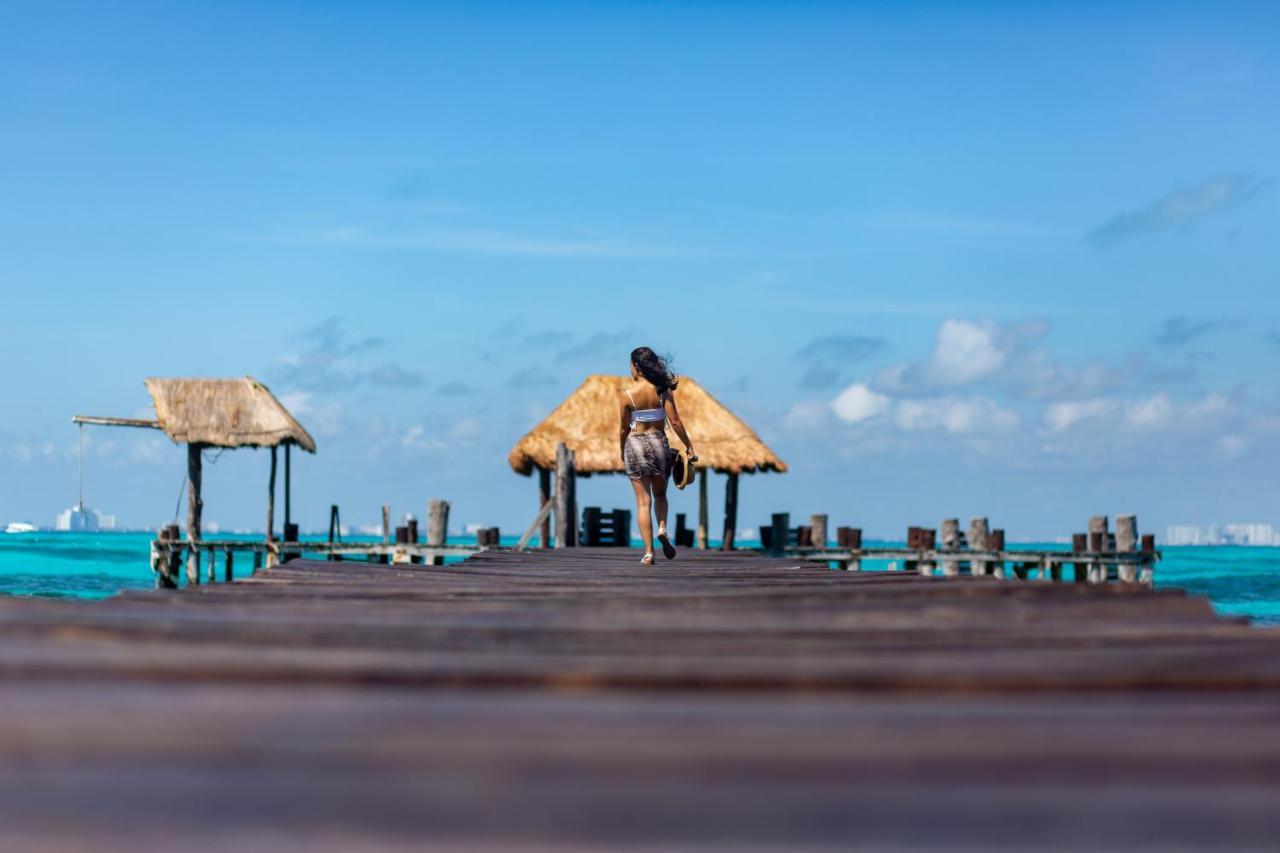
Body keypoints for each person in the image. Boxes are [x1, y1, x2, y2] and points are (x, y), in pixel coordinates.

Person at [619, 347, 696, 565]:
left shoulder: (626, 396)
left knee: (643, 503)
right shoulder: (662, 390)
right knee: (660, 495)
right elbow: (676, 421)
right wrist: (689, 445)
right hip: (658, 443)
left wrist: (621, 448)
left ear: (636, 366)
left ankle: (648, 553)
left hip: (635, 444)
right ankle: (662, 527)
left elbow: (624, 428)